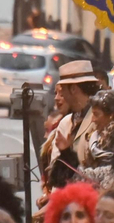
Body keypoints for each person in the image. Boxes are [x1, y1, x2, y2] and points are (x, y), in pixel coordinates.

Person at [40, 61, 104, 189]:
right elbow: (55, 165)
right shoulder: (65, 122)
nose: (61, 94)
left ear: (73, 89)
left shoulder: (100, 120)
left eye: (63, 89)